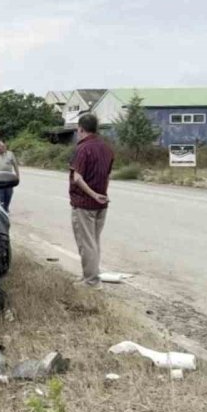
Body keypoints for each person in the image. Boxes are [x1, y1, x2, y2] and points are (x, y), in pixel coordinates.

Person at [69, 114, 114, 289]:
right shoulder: (107, 148)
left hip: (84, 203)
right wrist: (102, 194)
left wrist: (93, 194)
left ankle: (91, 281)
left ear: (80, 129)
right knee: (94, 242)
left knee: (86, 244)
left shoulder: (83, 149)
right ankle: (89, 275)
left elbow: (78, 178)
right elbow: (107, 176)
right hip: (101, 203)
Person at [0, 140, 20, 210]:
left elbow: (15, 165)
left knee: (9, 195)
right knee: (0, 197)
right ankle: (2, 210)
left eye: (0, 147)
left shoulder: (10, 154)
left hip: (9, 179)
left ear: (4, 147)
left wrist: (17, 176)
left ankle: (6, 208)